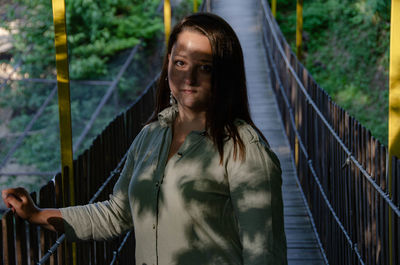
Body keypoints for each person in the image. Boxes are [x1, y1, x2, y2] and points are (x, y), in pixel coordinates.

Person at [2, 13, 287, 265]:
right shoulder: (151, 135)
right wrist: (37, 214)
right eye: (180, 62)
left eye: (205, 67)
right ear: (168, 67)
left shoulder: (244, 151)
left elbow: (264, 253)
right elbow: (117, 214)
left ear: (225, 75)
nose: (189, 77)